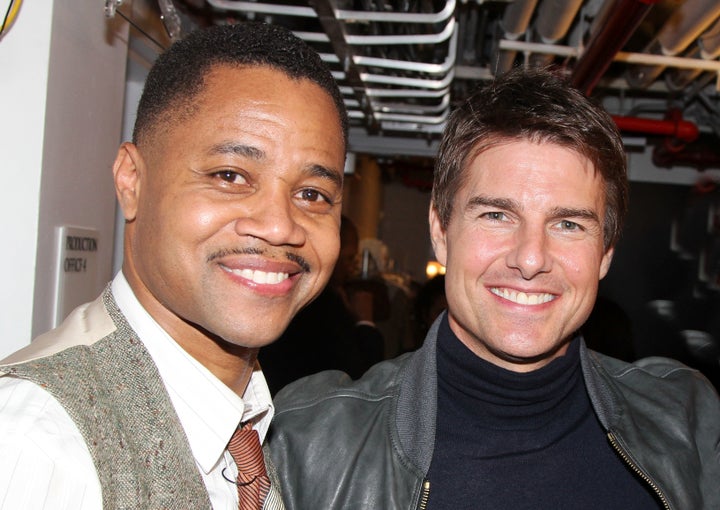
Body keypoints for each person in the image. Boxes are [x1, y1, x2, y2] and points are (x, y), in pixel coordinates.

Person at [267, 67, 720, 509]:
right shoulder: (307, 440)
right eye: (496, 216)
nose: (530, 258)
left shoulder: (686, 417)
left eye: (567, 224)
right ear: (441, 232)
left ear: (605, 254)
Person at [0, 22, 347, 509]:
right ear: (131, 181)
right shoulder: (37, 440)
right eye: (230, 176)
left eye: (312, 194)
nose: (279, 226)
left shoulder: (256, 425)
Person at [260, 215, 385, 394]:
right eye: (349, 258)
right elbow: (366, 384)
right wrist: (366, 322)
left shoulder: (300, 295)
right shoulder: (324, 305)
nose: (351, 268)